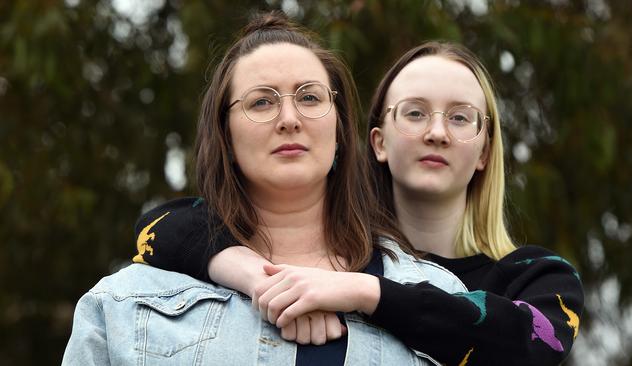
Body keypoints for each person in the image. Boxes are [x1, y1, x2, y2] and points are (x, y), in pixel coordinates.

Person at [132, 39, 585, 365]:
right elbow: (163, 226)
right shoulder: (343, 253)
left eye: (461, 117)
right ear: (377, 142)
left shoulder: (536, 275)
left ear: (486, 150)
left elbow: (531, 343)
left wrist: (363, 292)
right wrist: (259, 277)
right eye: (414, 112)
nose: (437, 131)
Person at [62, 12, 467, 366]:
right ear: (226, 138)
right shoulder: (124, 304)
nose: (290, 118)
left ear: (340, 128)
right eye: (261, 103)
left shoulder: (439, 295)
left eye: (309, 97)